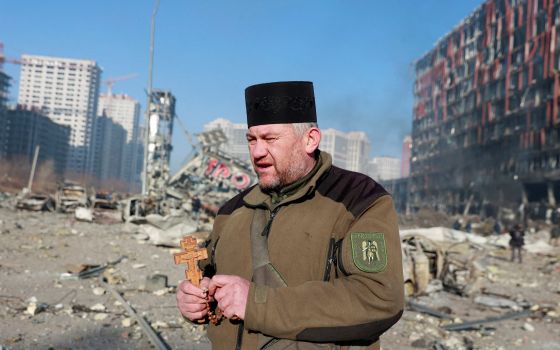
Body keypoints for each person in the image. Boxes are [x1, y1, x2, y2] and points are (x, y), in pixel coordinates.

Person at [176, 81, 404, 350]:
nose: (257, 152)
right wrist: (193, 298)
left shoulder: (358, 200)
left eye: (270, 139)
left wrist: (257, 304)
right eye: (252, 139)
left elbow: (378, 297)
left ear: (310, 140)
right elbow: (209, 275)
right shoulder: (232, 209)